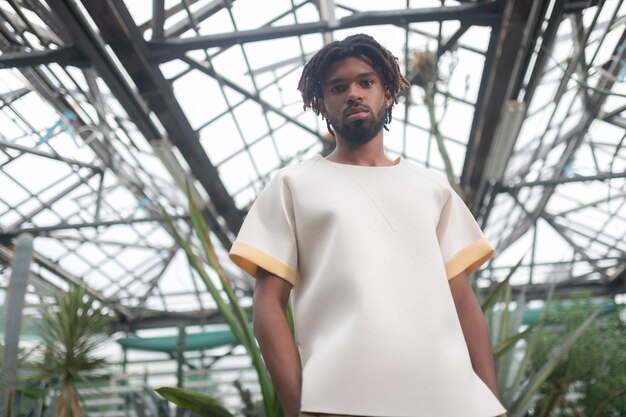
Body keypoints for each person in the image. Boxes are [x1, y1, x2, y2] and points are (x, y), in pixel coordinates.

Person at [229, 34, 507, 417]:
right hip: (338, 400)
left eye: (366, 82)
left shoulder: (431, 187)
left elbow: (462, 301)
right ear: (322, 104)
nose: (353, 94)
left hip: (447, 400)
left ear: (388, 93)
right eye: (338, 88)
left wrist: (489, 402)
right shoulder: (293, 185)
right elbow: (268, 305)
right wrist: (296, 406)